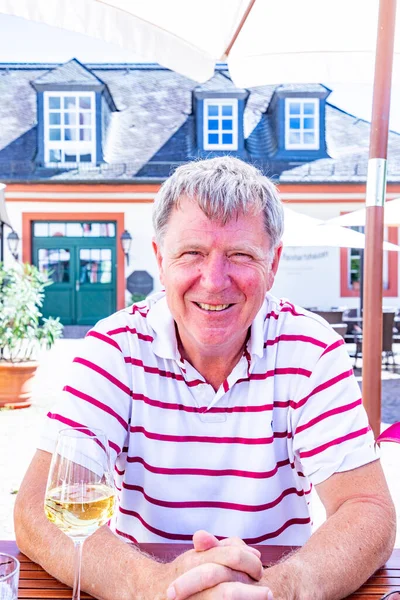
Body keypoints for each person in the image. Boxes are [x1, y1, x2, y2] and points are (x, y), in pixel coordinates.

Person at [15, 156, 395, 600]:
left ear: (274, 263)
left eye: (240, 255)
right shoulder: (115, 348)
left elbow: (368, 509)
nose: (214, 282)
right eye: (192, 253)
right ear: (160, 259)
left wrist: (278, 590)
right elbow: (38, 508)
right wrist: (157, 588)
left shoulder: (311, 350)